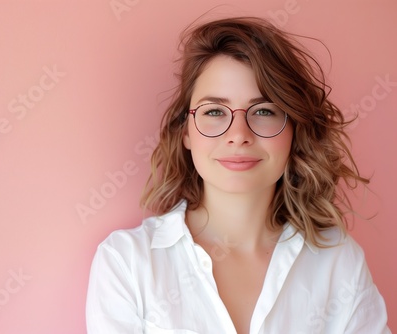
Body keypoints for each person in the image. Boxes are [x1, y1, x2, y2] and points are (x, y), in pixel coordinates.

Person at [86, 16, 390, 334]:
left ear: (294, 131)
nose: (238, 135)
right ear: (186, 132)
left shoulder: (339, 261)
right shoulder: (126, 263)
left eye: (264, 111)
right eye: (215, 111)